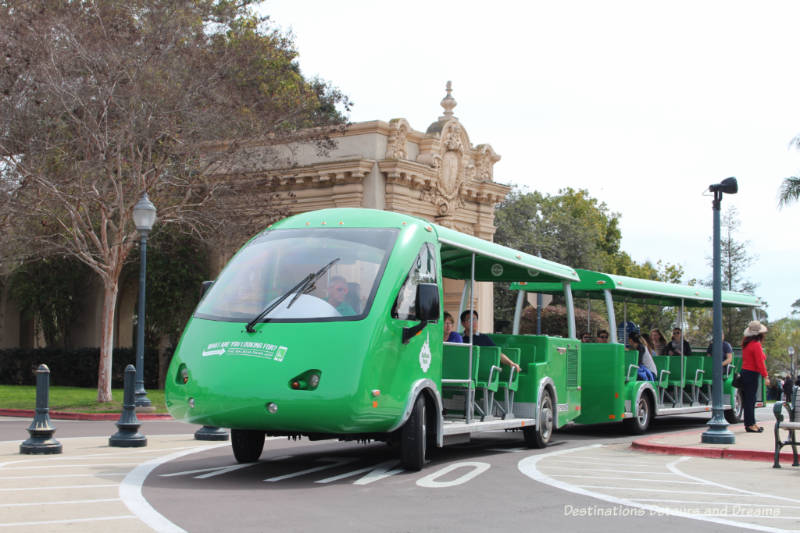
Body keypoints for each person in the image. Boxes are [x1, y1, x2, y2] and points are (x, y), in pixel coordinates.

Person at [740, 320, 770, 433]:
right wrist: (765, 376)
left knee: (748, 400)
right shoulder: (756, 345)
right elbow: (760, 362)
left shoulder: (746, 343)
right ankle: (750, 424)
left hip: (745, 372)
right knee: (750, 400)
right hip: (751, 374)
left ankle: (751, 423)